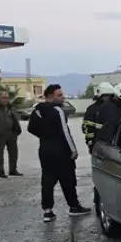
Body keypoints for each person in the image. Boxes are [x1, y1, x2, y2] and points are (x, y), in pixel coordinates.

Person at [28, 84, 91, 222]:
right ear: (50, 97)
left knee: (47, 181)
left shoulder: (37, 110)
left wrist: (45, 137)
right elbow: (65, 131)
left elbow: (30, 128)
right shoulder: (57, 111)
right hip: (60, 151)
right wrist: (73, 149)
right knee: (68, 178)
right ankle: (74, 206)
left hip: (44, 150)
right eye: (59, 95)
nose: (63, 97)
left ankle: (48, 211)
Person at [82, 82, 115, 152]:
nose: (108, 98)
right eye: (106, 95)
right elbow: (87, 128)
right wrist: (91, 143)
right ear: (100, 96)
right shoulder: (92, 109)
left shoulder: (114, 107)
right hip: (98, 144)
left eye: (110, 95)